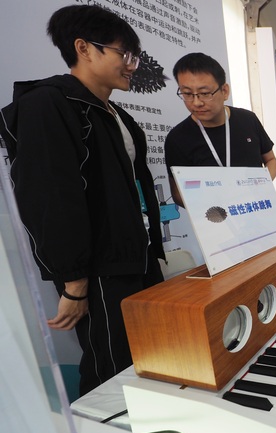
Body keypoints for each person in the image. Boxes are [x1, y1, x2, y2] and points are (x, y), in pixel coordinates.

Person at [0, 5, 165, 396]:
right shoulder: (49, 104)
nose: (132, 66)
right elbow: (51, 197)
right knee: (112, 369)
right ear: (84, 48)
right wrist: (74, 283)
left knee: (150, 358)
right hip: (100, 269)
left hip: (134, 257)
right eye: (125, 55)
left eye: (135, 57)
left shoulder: (115, 114)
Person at [165, 52, 276, 207]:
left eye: (205, 94)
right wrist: (208, 208)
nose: (196, 103)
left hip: (258, 209)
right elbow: (177, 193)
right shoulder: (177, 139)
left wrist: (262, 186)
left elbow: (271, 160)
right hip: (215, 220)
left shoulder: (248, 120)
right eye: (187, 94)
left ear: (224, 91)